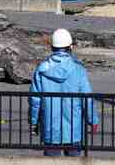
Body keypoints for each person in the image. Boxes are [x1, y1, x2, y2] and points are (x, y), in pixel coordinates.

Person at [29, 29, 100, 157]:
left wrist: (33, 121)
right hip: (73, 128)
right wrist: (93, 120)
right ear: (70, 47)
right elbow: (87, 99)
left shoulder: (42, 69)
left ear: (52, 47)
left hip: (50, 128)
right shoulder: (78, 69)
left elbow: (35, 100)